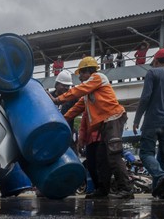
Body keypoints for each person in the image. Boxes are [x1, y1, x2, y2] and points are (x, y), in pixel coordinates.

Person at [51, 56, 133, 199]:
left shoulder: (98, 77)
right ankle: (102, 190)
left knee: (113, 155)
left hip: (113, 118)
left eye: (82, 73)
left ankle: (126, 189)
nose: (80, 77)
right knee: (101, 158)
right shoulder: (88, 95)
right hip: (105, 124)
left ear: (89, 71)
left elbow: (79, 89)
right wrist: (61, 120)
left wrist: (58, 99)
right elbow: (76, 109)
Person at [132, 48, 164, 199]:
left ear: (155, 60)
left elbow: (145, 98)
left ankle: (160, 175)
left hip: (153, 120)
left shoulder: (152, 73)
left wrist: (136, 119)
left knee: (146, 153)